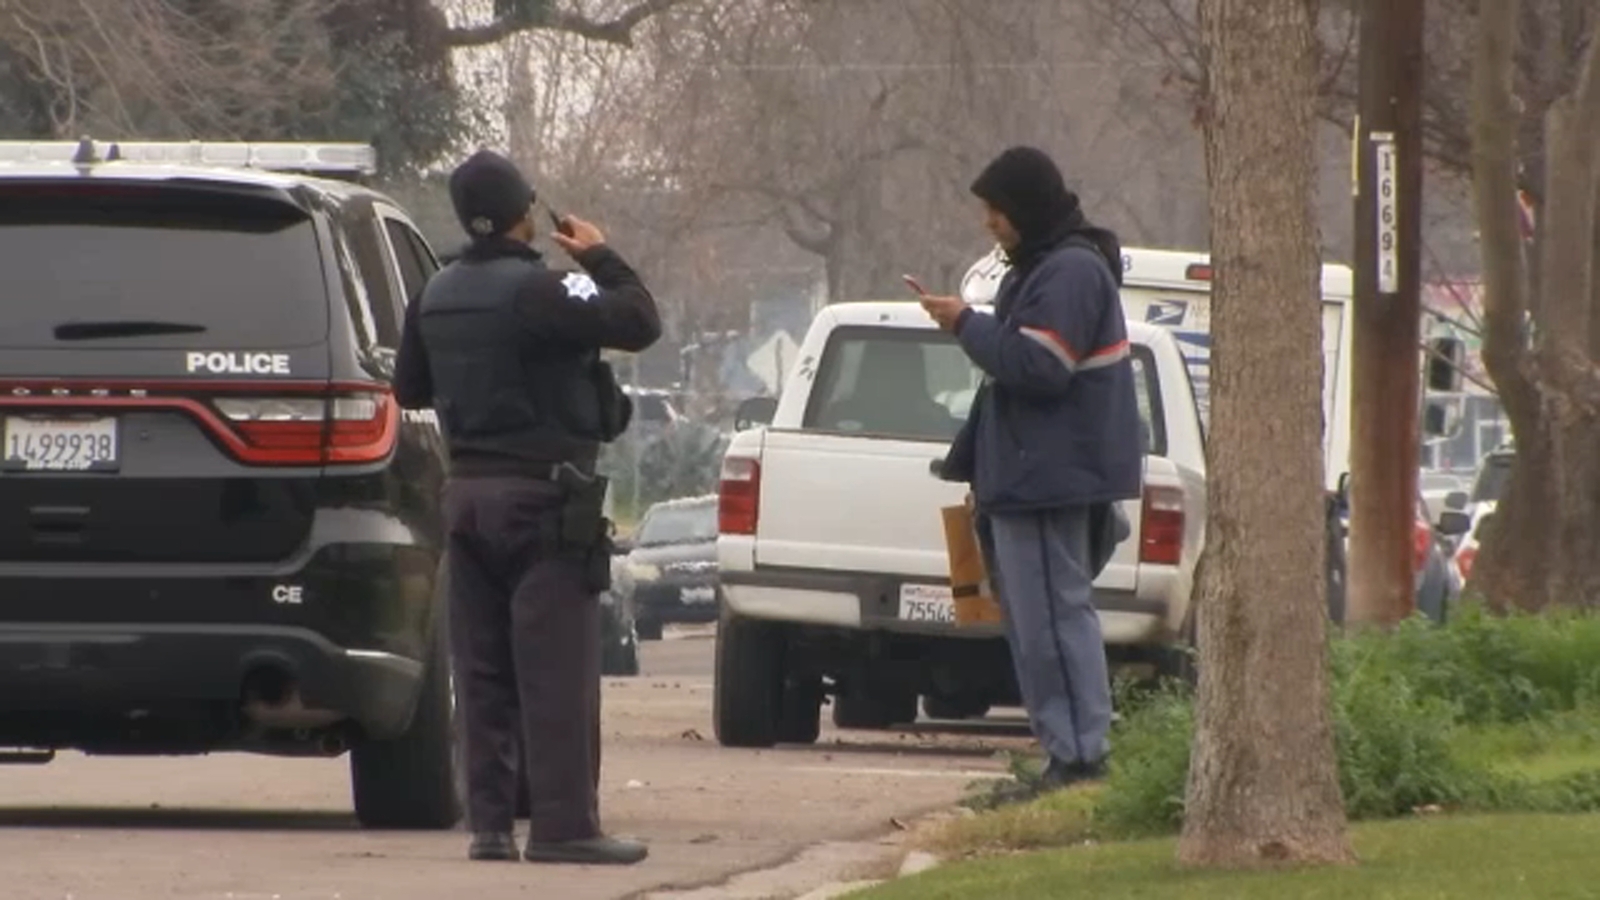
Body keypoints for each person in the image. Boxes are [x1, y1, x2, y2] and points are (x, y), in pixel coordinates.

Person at [393, 149, 661, 864]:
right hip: (543, 500)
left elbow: (408, 388)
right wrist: (599, 255)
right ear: (524, 212)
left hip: (466, 499)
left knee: (480, 672)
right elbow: (640, 320)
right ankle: (563, 829)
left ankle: (489, 827)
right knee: (556, 673)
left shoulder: (433, 293)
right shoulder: (542, 289)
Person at [922, 146, 1141, 789]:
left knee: (1053, 620)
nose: (989, 222)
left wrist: (966, 324)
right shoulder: (1044, 267)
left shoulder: (1070, 271)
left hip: (1049, 479)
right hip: (1029, 477)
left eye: (998, 209)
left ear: (1028, 207)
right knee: (1035, 623)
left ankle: (1081, 757)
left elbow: (1041, 367)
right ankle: (1063, 752)